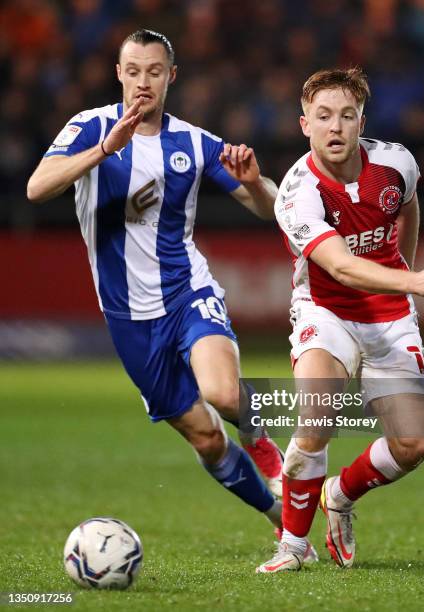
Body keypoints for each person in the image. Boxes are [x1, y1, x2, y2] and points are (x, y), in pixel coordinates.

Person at [27, 28, 317, 558]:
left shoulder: (193, 142)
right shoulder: (88, 126)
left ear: (171, 77)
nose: (143, 82)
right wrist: (102, 150)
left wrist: (253, 182)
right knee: (206, 438)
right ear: (118, 74)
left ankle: (274, 457)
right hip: (129, 320)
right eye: (133, 71)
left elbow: (275, 207)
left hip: (187, 293)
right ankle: (281, 516)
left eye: (154, 72)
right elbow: (37, 187)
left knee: (224, 394)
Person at [256, 68, 424, 573]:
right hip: (325, 311)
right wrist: (413, 282)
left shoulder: (396, 163)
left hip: (390, 315)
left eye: (346, 116)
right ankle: (292, 546)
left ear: (360, 122)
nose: (336, 127)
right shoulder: (297, 191)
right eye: (323, 116)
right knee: (317, 413)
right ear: (304, 124)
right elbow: (342, 266)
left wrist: (404, 276)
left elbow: (408, 208)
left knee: (414, 445)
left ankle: (341, 496)